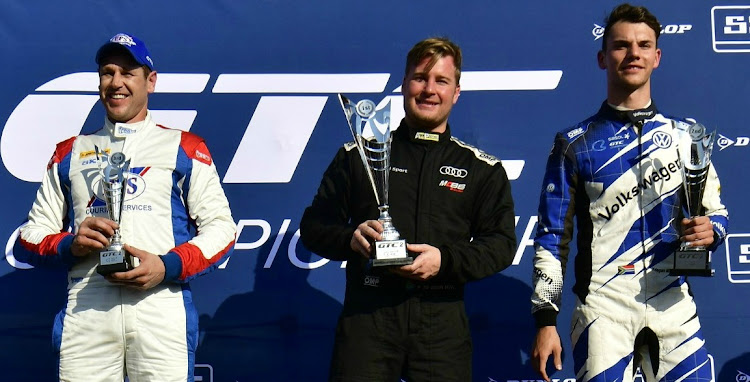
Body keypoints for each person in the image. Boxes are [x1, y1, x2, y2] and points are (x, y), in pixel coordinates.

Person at [15, 33, 236, 381]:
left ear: (150, 81)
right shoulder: (71, 152)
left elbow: (222, 230)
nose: (116, 82)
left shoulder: (183, 146)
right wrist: (71, 245)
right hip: (88, 309)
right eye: (107, 72)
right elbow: (29, 237)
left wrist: (167, 266)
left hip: (160, 305)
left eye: (127, 72)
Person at [530, 4, 729, 382]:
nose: (633, 53)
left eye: (643, 45)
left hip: (673, 301)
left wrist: (711, 231)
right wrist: (545, 320)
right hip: (605, 308)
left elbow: (716, 211)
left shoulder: (687, 137)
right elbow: (552, 239)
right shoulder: (575, 144)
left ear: (657, 56)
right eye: (621, 45)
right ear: (603, 57)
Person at [299, 37, 517, 381]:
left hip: (441, 321)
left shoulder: (481, 169)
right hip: (368, 317)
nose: (429, 90)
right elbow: (314, 225)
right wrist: (350, 238)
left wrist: (444, 261)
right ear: (404, 85)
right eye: (420, 78)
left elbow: (501, 245)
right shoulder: (358, 155)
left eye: (441, 81)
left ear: (456, 92)